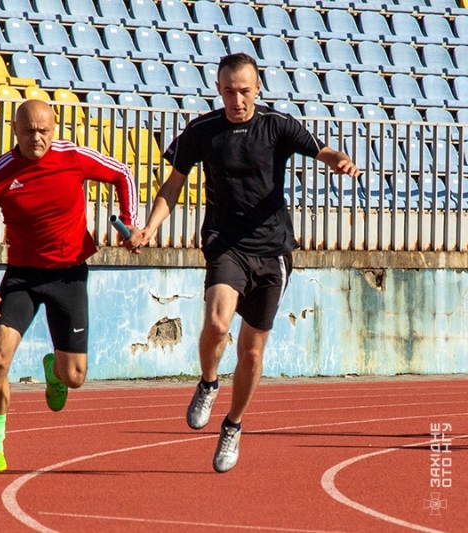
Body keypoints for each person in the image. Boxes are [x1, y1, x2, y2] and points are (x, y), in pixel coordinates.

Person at [130, 53, 360, 473]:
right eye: (230, 91)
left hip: (273, 251)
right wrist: (149, 228)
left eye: (245, 90)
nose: (237, 99)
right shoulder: (203, 131)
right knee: (217, 323)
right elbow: (173, 184)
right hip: (225, 245)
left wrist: (339, 161)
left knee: (252, 353)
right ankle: (208, 382)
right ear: (219, 90)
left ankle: (233, 425)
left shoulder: (278, 124)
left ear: (257, 89)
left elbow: (321, 150)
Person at [0, 100, 139, 476]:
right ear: (15, 130)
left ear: (54, 128)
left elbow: (123, 173)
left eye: (44, 130)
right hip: (23, 277)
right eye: (29, 131)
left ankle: (55, 371)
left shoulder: (72, 156)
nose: (37, 138)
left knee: (75, 377)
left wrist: (130, 221)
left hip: (69, 275)